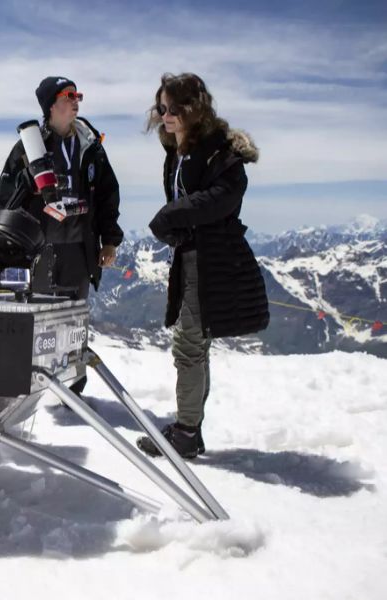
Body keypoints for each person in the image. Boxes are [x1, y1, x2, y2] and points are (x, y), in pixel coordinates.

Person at [136, 73, 269, 459]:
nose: (166, 115)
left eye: (175, 109)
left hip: (214, 259)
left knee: (189, 342)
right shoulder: (177, 151)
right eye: (162, 108)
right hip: (195, 255)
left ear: (195, 109)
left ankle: (186, 432)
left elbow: (223, 197)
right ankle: (189, 427)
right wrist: (176, 227)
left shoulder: (217, 150)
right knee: (195, 341)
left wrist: (172, 215)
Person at [0, 76, 123, 396]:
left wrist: (110, 240)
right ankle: (31, 388)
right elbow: (5, 200)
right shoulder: (29, 146)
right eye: (69, 95)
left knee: (74, 324)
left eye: (78, 94)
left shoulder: (90, 145)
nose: (77, 100)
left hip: (80, 249)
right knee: (36, 322)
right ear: (50, 105)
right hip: (40, 250)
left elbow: (108, 194)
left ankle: (73, 392)